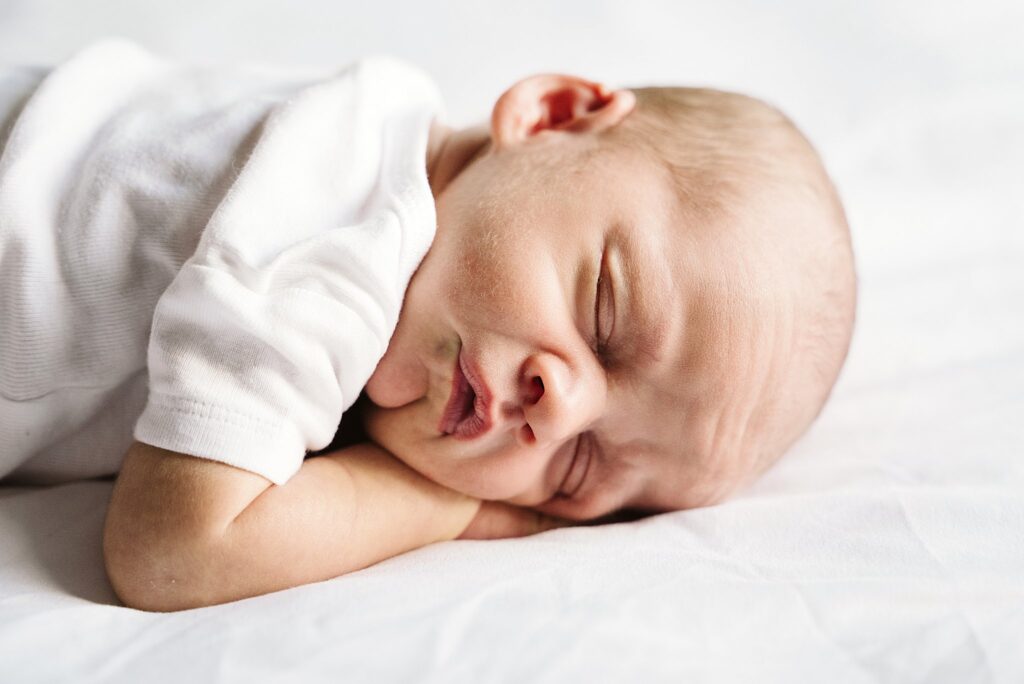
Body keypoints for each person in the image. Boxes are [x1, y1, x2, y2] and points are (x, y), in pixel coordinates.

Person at [0, 40, 855, 611]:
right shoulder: (342, 229)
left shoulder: (382, 132)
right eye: (602, 311)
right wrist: (431, 505)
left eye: (577, 470)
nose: (557, 412)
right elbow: (176, 547)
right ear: (552, 118)